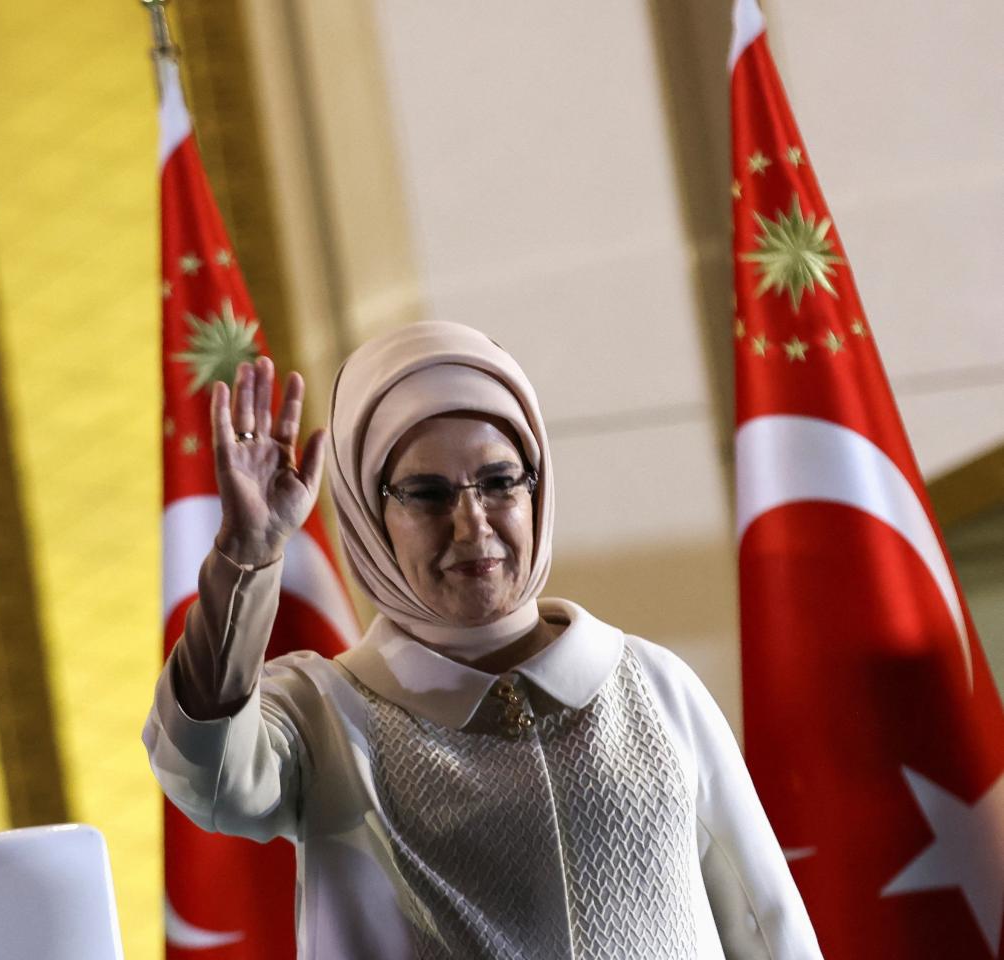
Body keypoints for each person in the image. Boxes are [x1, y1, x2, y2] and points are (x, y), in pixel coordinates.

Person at [144, 321, 823, 958]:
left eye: (500, 483)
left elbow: (769, 928)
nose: (472, 525)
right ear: (366, 510)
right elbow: (206, 772)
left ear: (537, 488)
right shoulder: (324, 717)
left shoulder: (652, 682)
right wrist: (247, 557)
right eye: (427, 494)